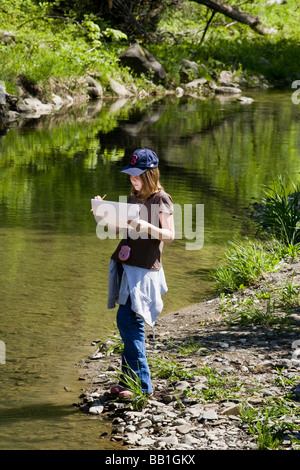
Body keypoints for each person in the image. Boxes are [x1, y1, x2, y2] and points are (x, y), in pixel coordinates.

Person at [100, 148, 174, 398]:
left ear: (151, 174)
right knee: (128, 323)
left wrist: (148, 226)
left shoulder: (161, 199)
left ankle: (143, 386)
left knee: (129, 322)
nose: (133, 180)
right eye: (130, 175)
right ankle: (126, 382)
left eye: (138, 176)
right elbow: (119, 229)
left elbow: (170, 235)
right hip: (127, 265)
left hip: (144, 270)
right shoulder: (134, 197)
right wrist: (104, 213)